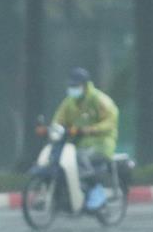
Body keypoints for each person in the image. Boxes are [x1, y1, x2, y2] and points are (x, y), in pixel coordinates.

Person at [50, 67, 119, 211]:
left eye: (76, 86)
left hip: (102, 143)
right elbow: (58, 119)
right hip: (78, 143)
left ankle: (96, 191)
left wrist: (91, 129)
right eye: (71, 86)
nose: (73, 89)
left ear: (86, 85)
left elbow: (111, 120)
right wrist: (53, 128)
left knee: (79, 157)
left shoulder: (99, 100)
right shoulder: (69, 102)